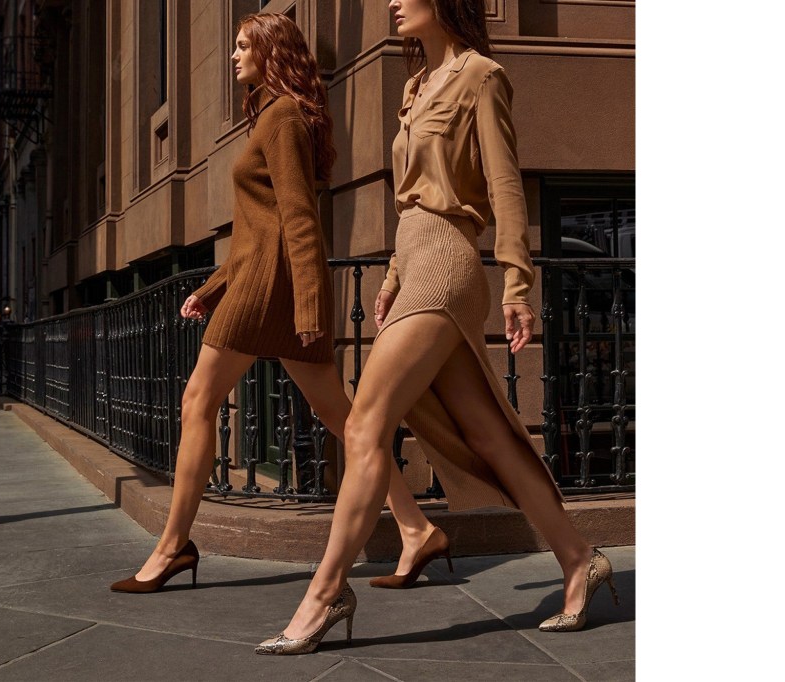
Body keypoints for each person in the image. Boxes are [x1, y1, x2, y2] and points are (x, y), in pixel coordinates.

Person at [255, 0, 618, 654]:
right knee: (487, 432)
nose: (393, 1)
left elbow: (504, 184)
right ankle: (578, 558)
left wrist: (518, 281)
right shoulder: (417, 87)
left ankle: (327, 591)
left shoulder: (482, 76)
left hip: (451, 264)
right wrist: (391, 278)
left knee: (366, 421)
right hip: (416, 263)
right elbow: (410, 200)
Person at [109, 12, 345, 593]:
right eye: (235, 45)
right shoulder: (267, 116)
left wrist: (312, 306)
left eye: (245, 46)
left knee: (198, 398)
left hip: (272, 288)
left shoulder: (283, 117)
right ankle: (417, 529)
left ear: (271, 53)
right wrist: (209, 290)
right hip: (259, 280)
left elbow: (298, 216)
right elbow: (253, 231)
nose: (235, 55)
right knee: (343, 414)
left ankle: (172, 545)